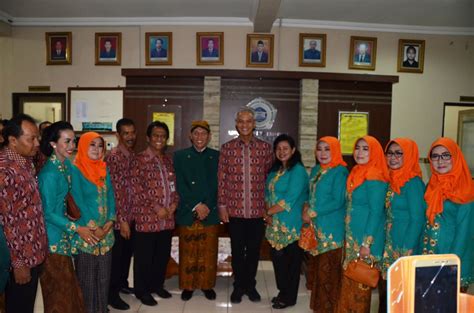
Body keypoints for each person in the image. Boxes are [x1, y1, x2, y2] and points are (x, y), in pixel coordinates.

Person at [218, 107, 273, 304]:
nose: (245, 125)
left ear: (254, 124)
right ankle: (239, 285)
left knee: (254, 251)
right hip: (235, 210)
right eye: (241, 121)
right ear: (236, 124)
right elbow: (222, 179)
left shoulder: (265, 149)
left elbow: (269, 180)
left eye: (249, 121)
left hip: (258, 211)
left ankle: (250, 285)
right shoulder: (227, 149)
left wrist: (269, 208)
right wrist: (222, 206)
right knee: (237, 250)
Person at [38, 121, 91, 313]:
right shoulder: (49, 173)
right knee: (59, 296)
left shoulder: (64, 166)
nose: (72, 146)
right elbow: (47, 212)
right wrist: (76, 228)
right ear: (53, 144)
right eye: (67, 141)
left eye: (73, 141)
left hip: (64, 236)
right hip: (52, 241)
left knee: (69, 291)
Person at [0, 114, 48, 313]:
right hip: (19, 258)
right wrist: (18, 263)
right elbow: (6, 221)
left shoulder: (25, 162)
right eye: (31, 139)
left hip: (33, 251)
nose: (37, 143)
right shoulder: (5, 171)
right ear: (12, 140)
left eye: (38, 138)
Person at [336, 136, 389, 313]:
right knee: (350, 280)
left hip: (365, 240)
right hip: (354, 236)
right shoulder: (357, 172)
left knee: (360, 286)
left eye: (365, 149)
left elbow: (376, 213)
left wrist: (367, 243)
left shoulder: (375, 177)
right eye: (357, 148)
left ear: (374, 152)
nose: (359, 152)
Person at [131, 121, 178, 307]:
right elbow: (137, 189)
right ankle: (142, 290)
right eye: (156, 136)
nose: (159, 139)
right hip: (147, 219)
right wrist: (157, 208)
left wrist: (174, 204)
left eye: (163, 136)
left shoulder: (168, 160)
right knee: (144, 257)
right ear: (148, 138)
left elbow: (174, 188)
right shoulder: (139, 159)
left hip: (167, 220)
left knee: (161, 256)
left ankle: (157, 285)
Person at [174, 120, 220, 301]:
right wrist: (196, 205)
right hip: (188, 210)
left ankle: (207, 285)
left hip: (210, 211)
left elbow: (219, 184)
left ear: (209, 136)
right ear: (190, 136)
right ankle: (188, 285)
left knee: (208, 251)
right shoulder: (179, 156)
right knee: (188, 251)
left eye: (203, 133)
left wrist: (207, 205)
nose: (200, 137)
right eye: (196, 133)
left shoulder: (217, 156)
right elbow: (179, 184)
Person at [378, 138, 426, 313]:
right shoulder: (392, 178)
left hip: (405, 245)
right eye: (390, 153)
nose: (393, 157)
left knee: (402, 293)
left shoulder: (412, 182)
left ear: (410, 156)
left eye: (399, 153)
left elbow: (417, 219)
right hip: (391, 242)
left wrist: (406, 250)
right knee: (390, 290)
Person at [71, 132, 116, 313]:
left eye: (100, 145)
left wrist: (111, 221)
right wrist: (94, 228)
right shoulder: (76, 170)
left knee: (104, 280)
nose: (97, 149)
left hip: (106, 235)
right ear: (82, 146)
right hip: (87, 236)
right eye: (92, 145)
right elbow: (77, 202)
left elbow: (111, 196)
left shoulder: (104, 168)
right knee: (87, 282)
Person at [421, 137, 473, 291]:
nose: (440, 160)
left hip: (453, 260)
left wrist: (450, 265)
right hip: (429, 256)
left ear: (455, 157)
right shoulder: (432, 185)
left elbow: (464, 235)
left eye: (446, 155)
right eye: (435, 156)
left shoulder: (466, 189)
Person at [303, 137, 348, 313]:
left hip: (332, 230)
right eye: (319, 149)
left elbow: (338, 201)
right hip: (317, 229)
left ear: (335, 151)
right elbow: (310, 194)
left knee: (328, 274)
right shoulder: (316, 170)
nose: (322, 153)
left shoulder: (340, 172)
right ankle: (319, 307)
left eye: (327, 149)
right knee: (317, 274)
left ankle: (329, 309)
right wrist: (306, 207)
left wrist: (312, 212)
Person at [265, 134, 308, 309]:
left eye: (285, 148)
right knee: (279, 262)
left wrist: (268, 212)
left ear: (293, 150)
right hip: (274, 225)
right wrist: (267, 212)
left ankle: (289, 298)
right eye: (278, 149)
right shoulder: (276, 170)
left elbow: (289, 200)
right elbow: (267, 193)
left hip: (291, 226)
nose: (282, 152)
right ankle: (283, 292)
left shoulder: (298, 171)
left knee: (291, 264)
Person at [105, 118, 137, 310]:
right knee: (116, 259)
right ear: (118, 135)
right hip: (119, 220)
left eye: (132, 132)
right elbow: (115, 192)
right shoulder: (114, 157)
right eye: (125, 133)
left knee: (126, 255)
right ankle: (111, 294)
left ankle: (122, 285)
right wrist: (123, 220)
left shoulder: (132, 155)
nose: (130, 136)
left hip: (132, 216)